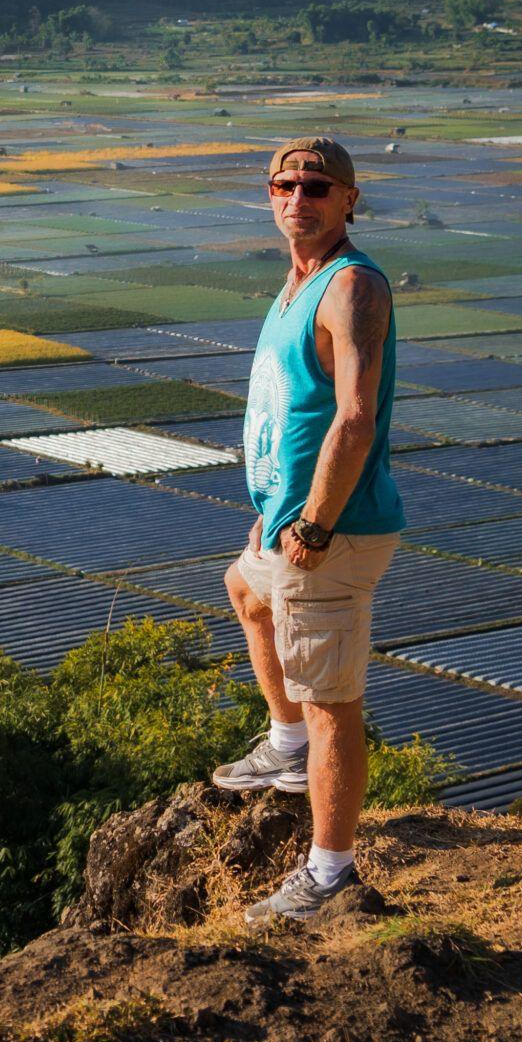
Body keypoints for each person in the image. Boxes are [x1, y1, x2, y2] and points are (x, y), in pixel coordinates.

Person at [212, 136, 404, 922]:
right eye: (284, 185)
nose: (299, 198)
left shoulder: (350, 286)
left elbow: (354, 419)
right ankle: (285, 750)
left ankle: (329, 874)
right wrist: (274, 507)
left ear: (350, 198)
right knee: (243, 591)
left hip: (333, 530)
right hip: (288, 524)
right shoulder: (296, 284)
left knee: (332, 700)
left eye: (317, 187)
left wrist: (316, 523)